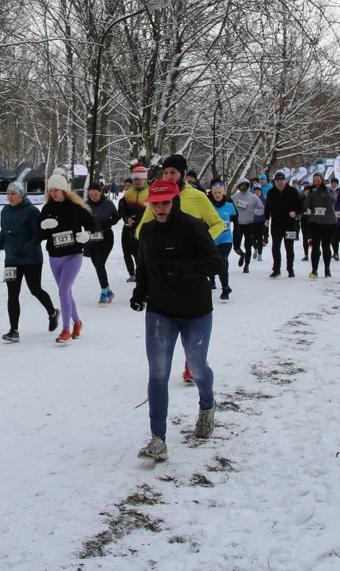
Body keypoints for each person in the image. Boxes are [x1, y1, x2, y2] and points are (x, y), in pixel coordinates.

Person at [129, 180, 222, 462]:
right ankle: (158, 438)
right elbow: (144, 267)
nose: (159, 208)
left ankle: (207, 405)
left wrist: (179, 269)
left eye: (165, 203)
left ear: (175, 201)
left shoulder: (193, 226)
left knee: (196, 367)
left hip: (196, 310)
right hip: (160, 310)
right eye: (155, 204)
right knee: (158, 373)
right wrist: (139, 292)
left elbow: (215, 262)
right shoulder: (146, 231)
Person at [0, 182, 59, 342]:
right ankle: (13, 330)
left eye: (13, 194)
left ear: (21, 195)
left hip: (31, 259)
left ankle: (53, 313)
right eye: (8, 194)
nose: (10, 197)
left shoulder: (31, 211)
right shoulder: (5, 211)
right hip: (11, 259)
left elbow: (38, 235)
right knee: (12, 294)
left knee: (35, 289)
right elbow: (4, 231)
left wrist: (26, 250)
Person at [39, 170, 95, 344]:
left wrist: (87, 234)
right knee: (66, 292)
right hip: (55, 256)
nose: (53, 193)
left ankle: (66, 330)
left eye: (56, 189)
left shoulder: (75, 207)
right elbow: (38, 233)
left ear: (63, 190)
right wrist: (43, 225)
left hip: (73, 254)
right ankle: (77, 322)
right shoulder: (47, 208)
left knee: (63, 291)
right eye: (51, 190)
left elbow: (91, 224)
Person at [85, 182, 120, 306]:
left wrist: (109, 223)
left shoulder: (108, 204)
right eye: (91, 195)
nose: (93, 197)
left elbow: (117, 216)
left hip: (106, 237)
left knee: (100, 263)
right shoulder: (86, 205)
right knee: (97, 265)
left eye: (95, 194)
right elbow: (81, 219)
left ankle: (104, 292)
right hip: (91, 238)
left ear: (101, 192)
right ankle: (108, 291)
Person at [264, 172, 301, 278]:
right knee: (275, 246)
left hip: (289, 224)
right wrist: (267, 218)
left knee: (289, 247)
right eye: (277, 181)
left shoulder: (292, 191)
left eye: (281, 180)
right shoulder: (271, 192)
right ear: (275, 182)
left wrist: (295, 212)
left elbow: (300, 206)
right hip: (276, 224)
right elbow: (267, 207)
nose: (279, 183)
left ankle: (290, 268)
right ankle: (276, 268)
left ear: (285, 181)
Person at [118, 165, 149, 283]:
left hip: (147, 229)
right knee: (135, 254)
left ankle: (146, 276)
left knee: (146, 255)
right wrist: (126, 219)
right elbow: (123, 210)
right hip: (131, 229)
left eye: (140, 179)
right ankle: (137, 275)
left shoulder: (151, 192)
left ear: (145, 179)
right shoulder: (128, 193)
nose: (137, 181)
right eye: (135, 179)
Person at [302, 173, 336, 279]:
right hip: (315, 222)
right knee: (315, 246)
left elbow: (332, 201)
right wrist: (307, 195)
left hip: (328, 222)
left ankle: (327, 269)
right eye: (314, 181)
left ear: (322, 180)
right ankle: (314, 270)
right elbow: (306, 206)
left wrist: (324, 190)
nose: (316, 183)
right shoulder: (313, 192)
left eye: (318, 180)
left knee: (326, 246)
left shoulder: (329, 190)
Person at [207, 182, 236, 300]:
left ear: (223, 193)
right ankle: (212, 280)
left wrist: (238, 241)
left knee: (222, 260)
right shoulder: (208, 206)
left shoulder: (229, 206)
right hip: (212, 238)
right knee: (212, 262)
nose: (217, 195)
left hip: (226, 239)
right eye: (215, 193)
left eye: (219, 192)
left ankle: (225, 288)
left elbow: (236, 223)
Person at [230, 182, 263, 273]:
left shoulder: (253, 197)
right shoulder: (234, 197)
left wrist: (254, 211)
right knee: (236, 246)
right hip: (238, 225)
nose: (242, 188)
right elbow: (228, 206)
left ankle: (247, 265)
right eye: (241, 186)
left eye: (245, 186)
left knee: (248, 246)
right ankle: (242, 255)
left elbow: (262, 209)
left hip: (249, 224)